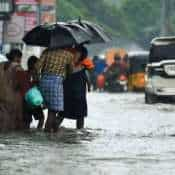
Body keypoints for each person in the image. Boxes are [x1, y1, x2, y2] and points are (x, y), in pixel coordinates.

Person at [35, 48, 74, 133]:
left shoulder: (46, 51)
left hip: (43, 81)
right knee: (52, 111)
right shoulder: (68, 55)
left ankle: (46, 130)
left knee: (47, 107)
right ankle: (48, 132)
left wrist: (38, 79)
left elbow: (37, 66)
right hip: (56, 83)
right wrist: (65, 75)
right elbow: (71, 71)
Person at [59, 45, 93, 129]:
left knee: (80, 117)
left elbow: (88, 82)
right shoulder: (67, 66)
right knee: (62, 114)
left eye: (77, 53)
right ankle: (52, 130)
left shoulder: (84, 67)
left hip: (79, 96)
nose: (75, 55)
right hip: (68, 95)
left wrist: (88, 86)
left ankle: (79, 133)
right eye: (74, 53)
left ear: (82, 55)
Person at [17, 56, 45, 129]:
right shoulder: (36, 75)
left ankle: (26, 136)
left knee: (27, 122)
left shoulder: (24, 73)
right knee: (41, 119)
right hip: (34, 100)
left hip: (25, 101)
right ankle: (38, 133)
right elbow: (38, 88)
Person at [0, 49, 24, 131]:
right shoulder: (18, 67)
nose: (21, 60)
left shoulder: (1, 65)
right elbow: (22, 84)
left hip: (1, 96)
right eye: (20, 57)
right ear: (17, 57)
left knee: (3, 120)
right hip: (12, 98)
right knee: (12, 123)